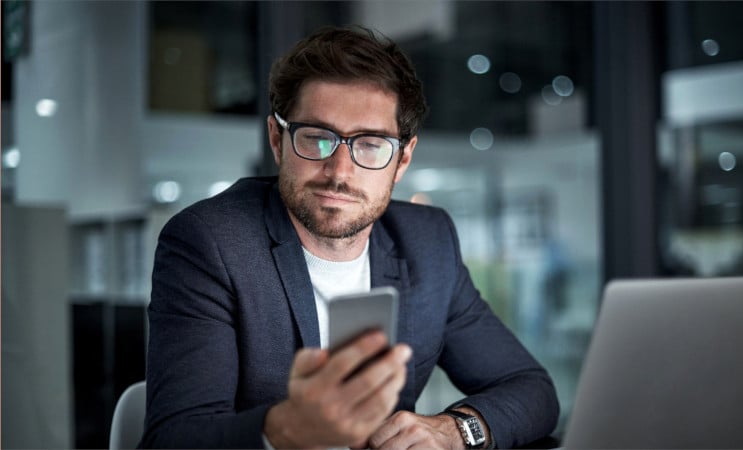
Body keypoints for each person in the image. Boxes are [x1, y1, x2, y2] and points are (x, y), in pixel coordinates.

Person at [142, 25, 559, 449]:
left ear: (402, 160)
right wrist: (286, 430)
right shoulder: (210, 243)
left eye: (371, 145)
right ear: (277, 140)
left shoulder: (428, 242)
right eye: (317, 138)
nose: (339, 172)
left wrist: (455, 431)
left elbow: (530, 389)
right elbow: (172, 439)